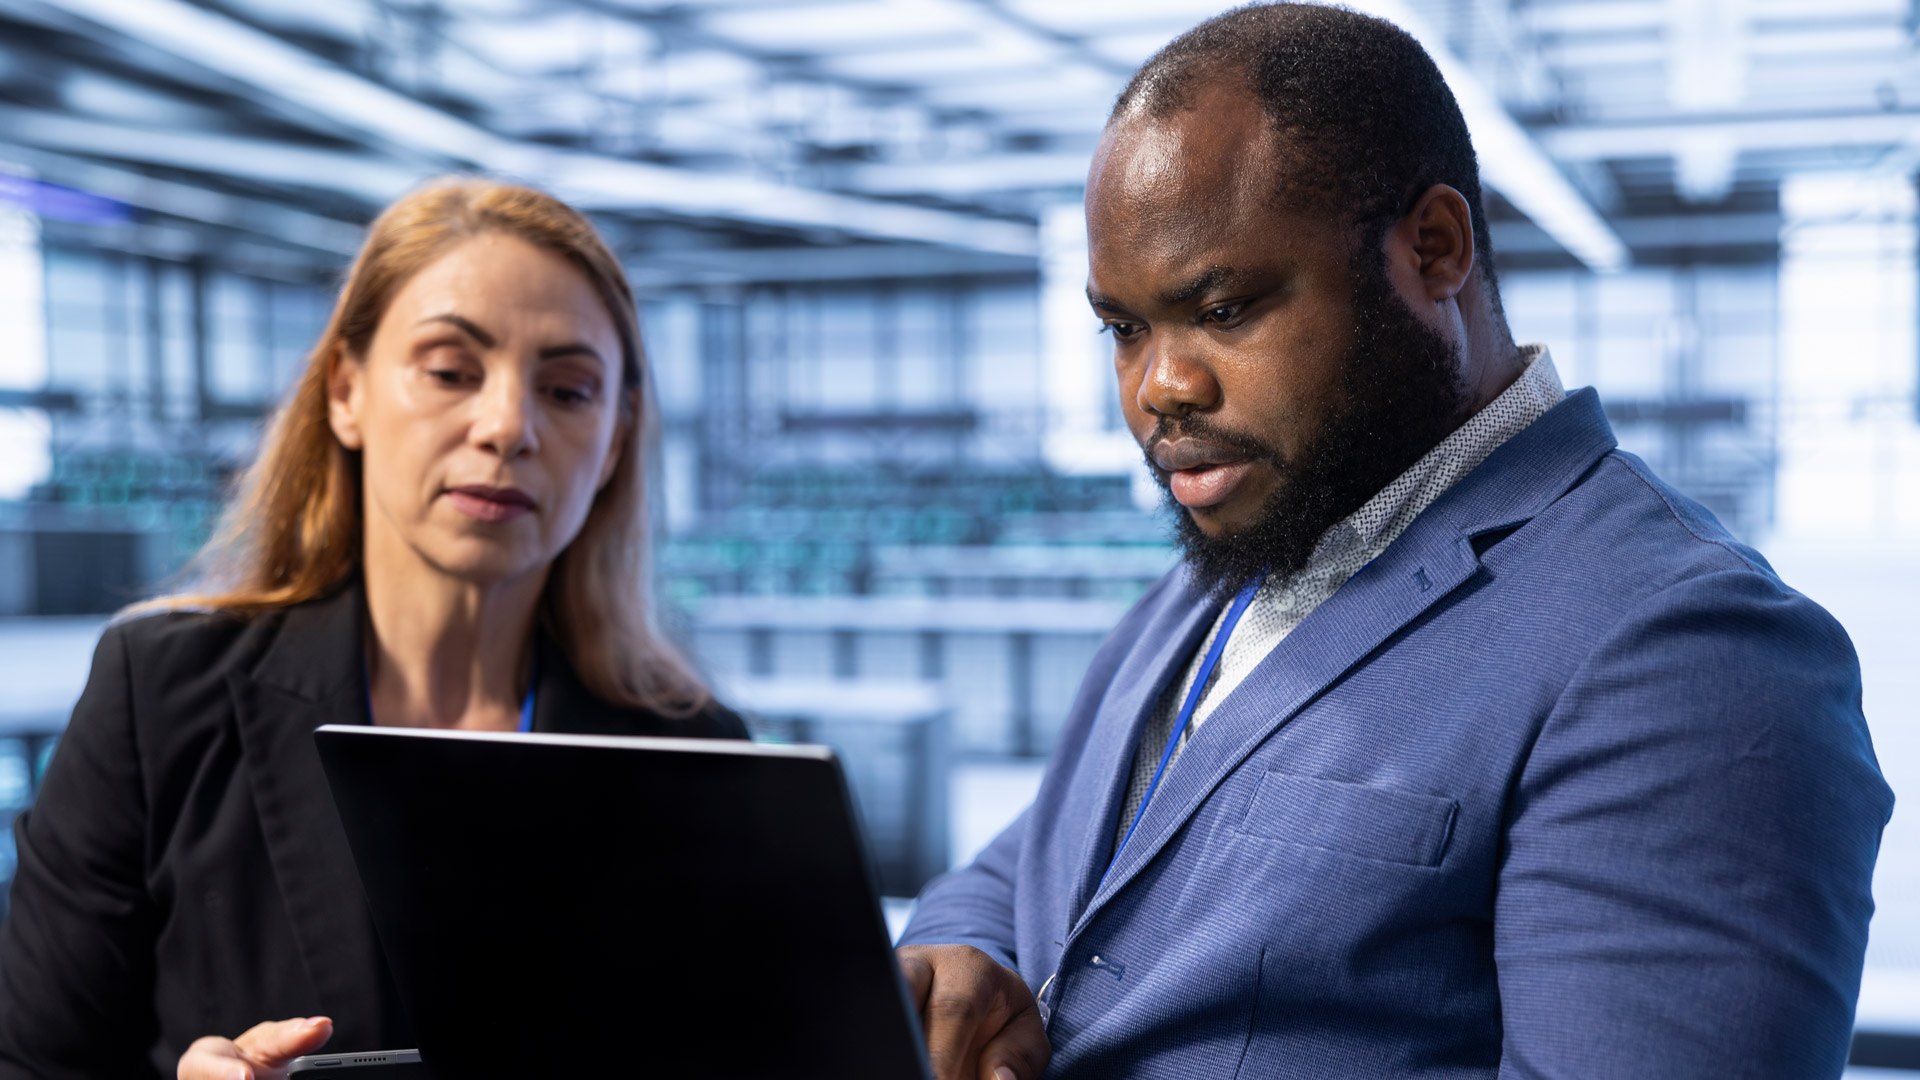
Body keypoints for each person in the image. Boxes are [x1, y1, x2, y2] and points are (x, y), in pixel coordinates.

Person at [895, 6, 1894, 1079]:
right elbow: (1044, 860)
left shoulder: (1687, 656)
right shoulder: (1225, 570)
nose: (1159, 389)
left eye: (1225, 308)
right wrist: (963, 963)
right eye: (1126, 329)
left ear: (1434, 250)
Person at [0, 179, 746, 1079]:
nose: (508, 425)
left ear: (616, 441)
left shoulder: (697, 759)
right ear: (346, 392)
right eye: (449, 370)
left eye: (569, 389)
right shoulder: (159, 696)